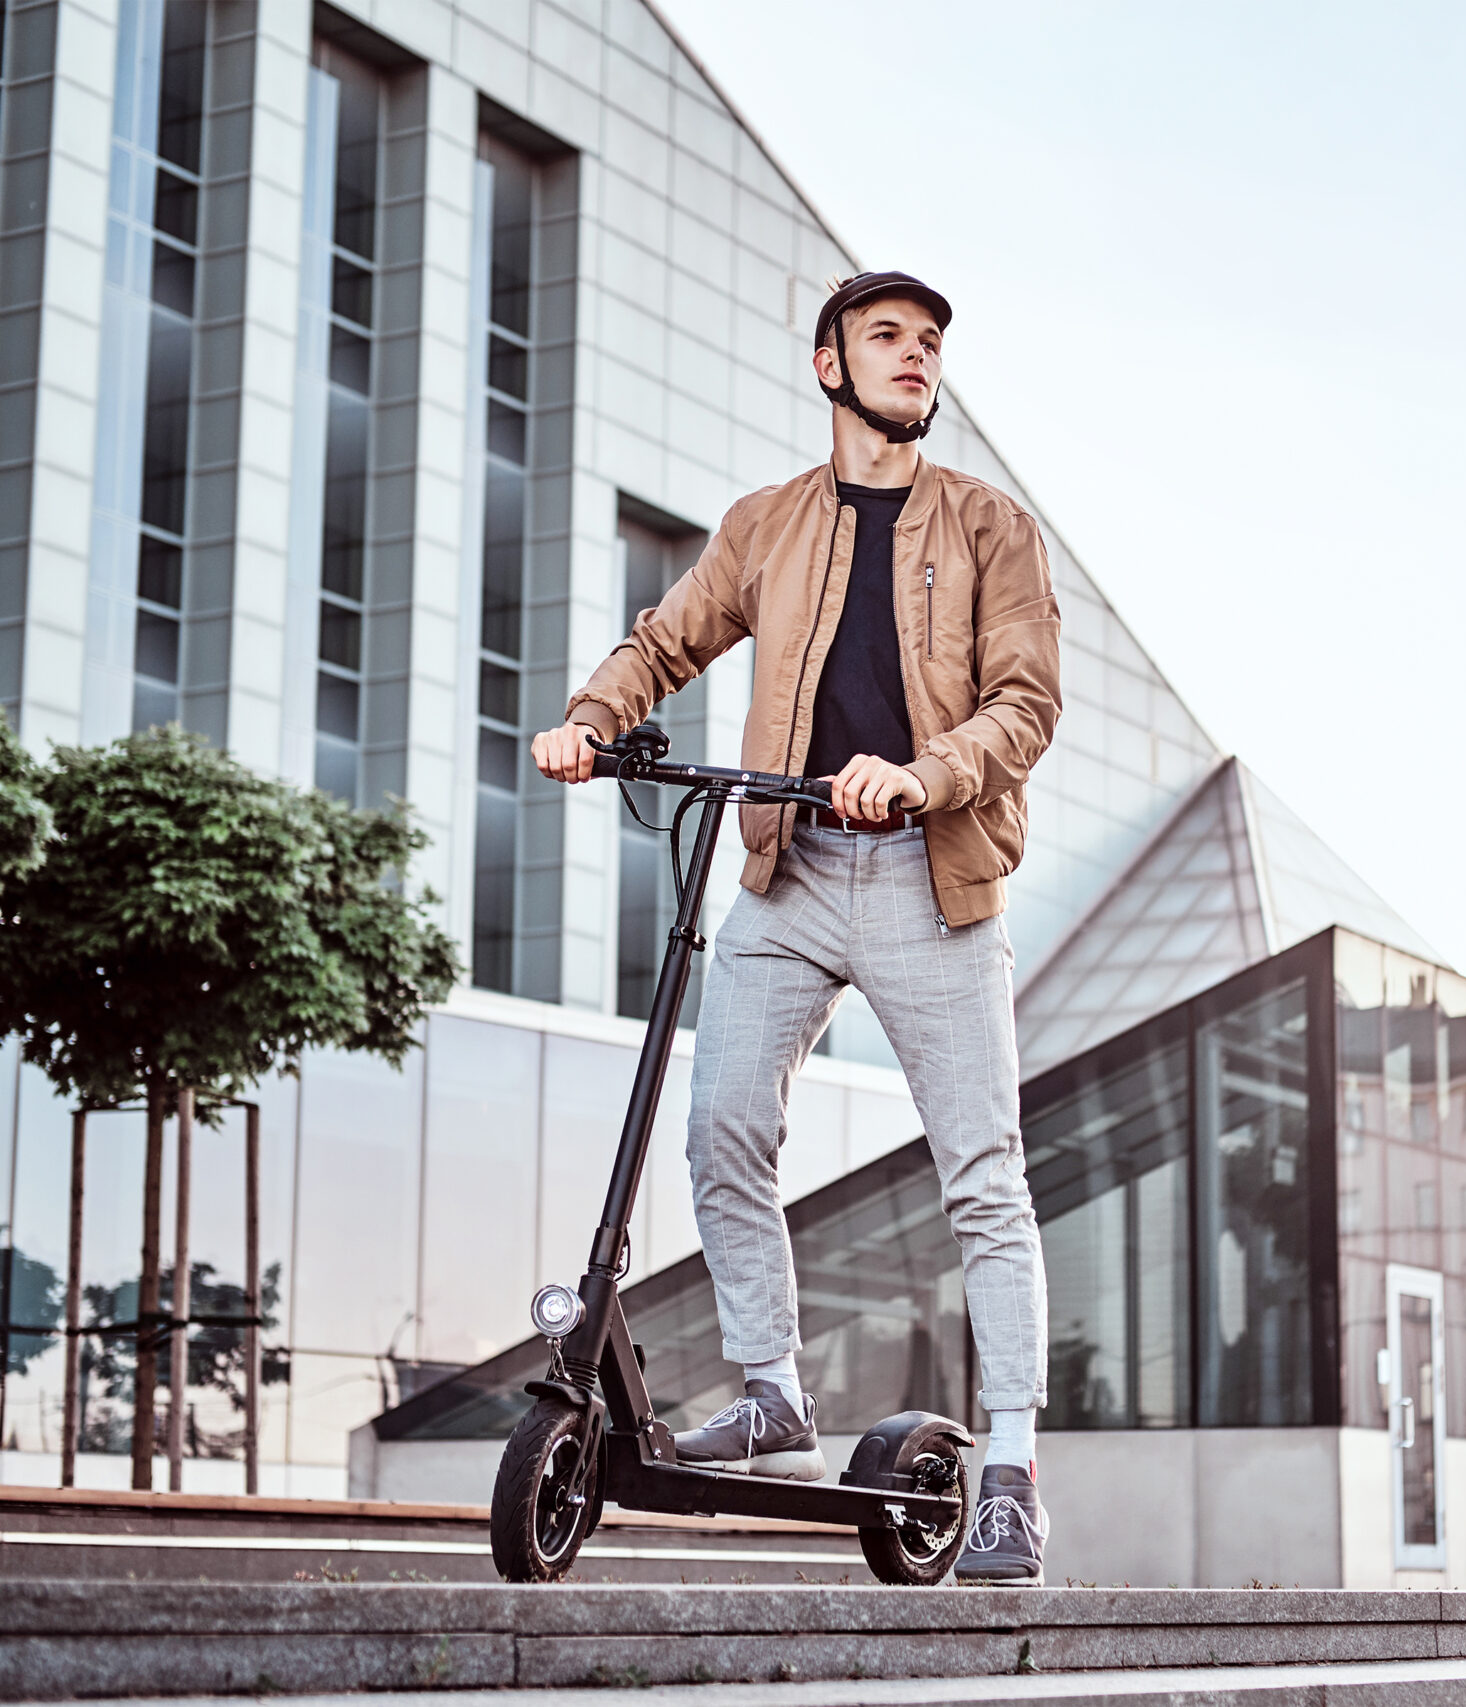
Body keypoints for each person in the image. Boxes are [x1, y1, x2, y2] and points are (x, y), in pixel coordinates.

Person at [531, 272, 1061, 1585]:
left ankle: (1009, 1471)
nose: (915, 359)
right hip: (787, 867)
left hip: (932, 882)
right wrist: (592, 721)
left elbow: (1026, 704)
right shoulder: (767, 525)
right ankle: (773, 1387)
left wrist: (922, 774)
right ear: (829, 365)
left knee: (983, 1172)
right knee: (722, 1126)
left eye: (929, 344)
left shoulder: (993, 528)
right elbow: (669, 639)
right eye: (888, 339)